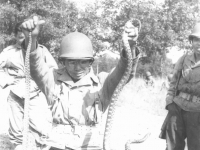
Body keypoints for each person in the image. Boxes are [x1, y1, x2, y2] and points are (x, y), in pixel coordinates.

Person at [19, 16, 141, 150]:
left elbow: (124, 73)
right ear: (63, 62)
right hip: (58, 144)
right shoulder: (52, 80)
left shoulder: (102, 83)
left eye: (83, 62)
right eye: (71, 62)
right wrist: (31, 39)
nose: (77, 68)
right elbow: (35, 67)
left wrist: (130, 46)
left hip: (92, 145)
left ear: (90, 62)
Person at [0, 21, 57, 150]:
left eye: (25, 36)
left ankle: (41, 146)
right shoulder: (9, 51)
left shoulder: (41, 50)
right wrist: (6, 80)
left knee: (39, 125)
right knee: (15, 126)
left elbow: (53, 68)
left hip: (35, 91)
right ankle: (18, 146)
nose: (22, 38)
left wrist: (43, 81)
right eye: (20, 35)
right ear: (15, 35)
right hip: (16, 91)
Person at [159, 22, 200, 150]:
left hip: (197, 111)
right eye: (196, 40)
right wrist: (170, 103)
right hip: (178, 107)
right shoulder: (183, 59)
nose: (199, 43)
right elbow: (173, 83)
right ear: (191, 42)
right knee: (173, 145)